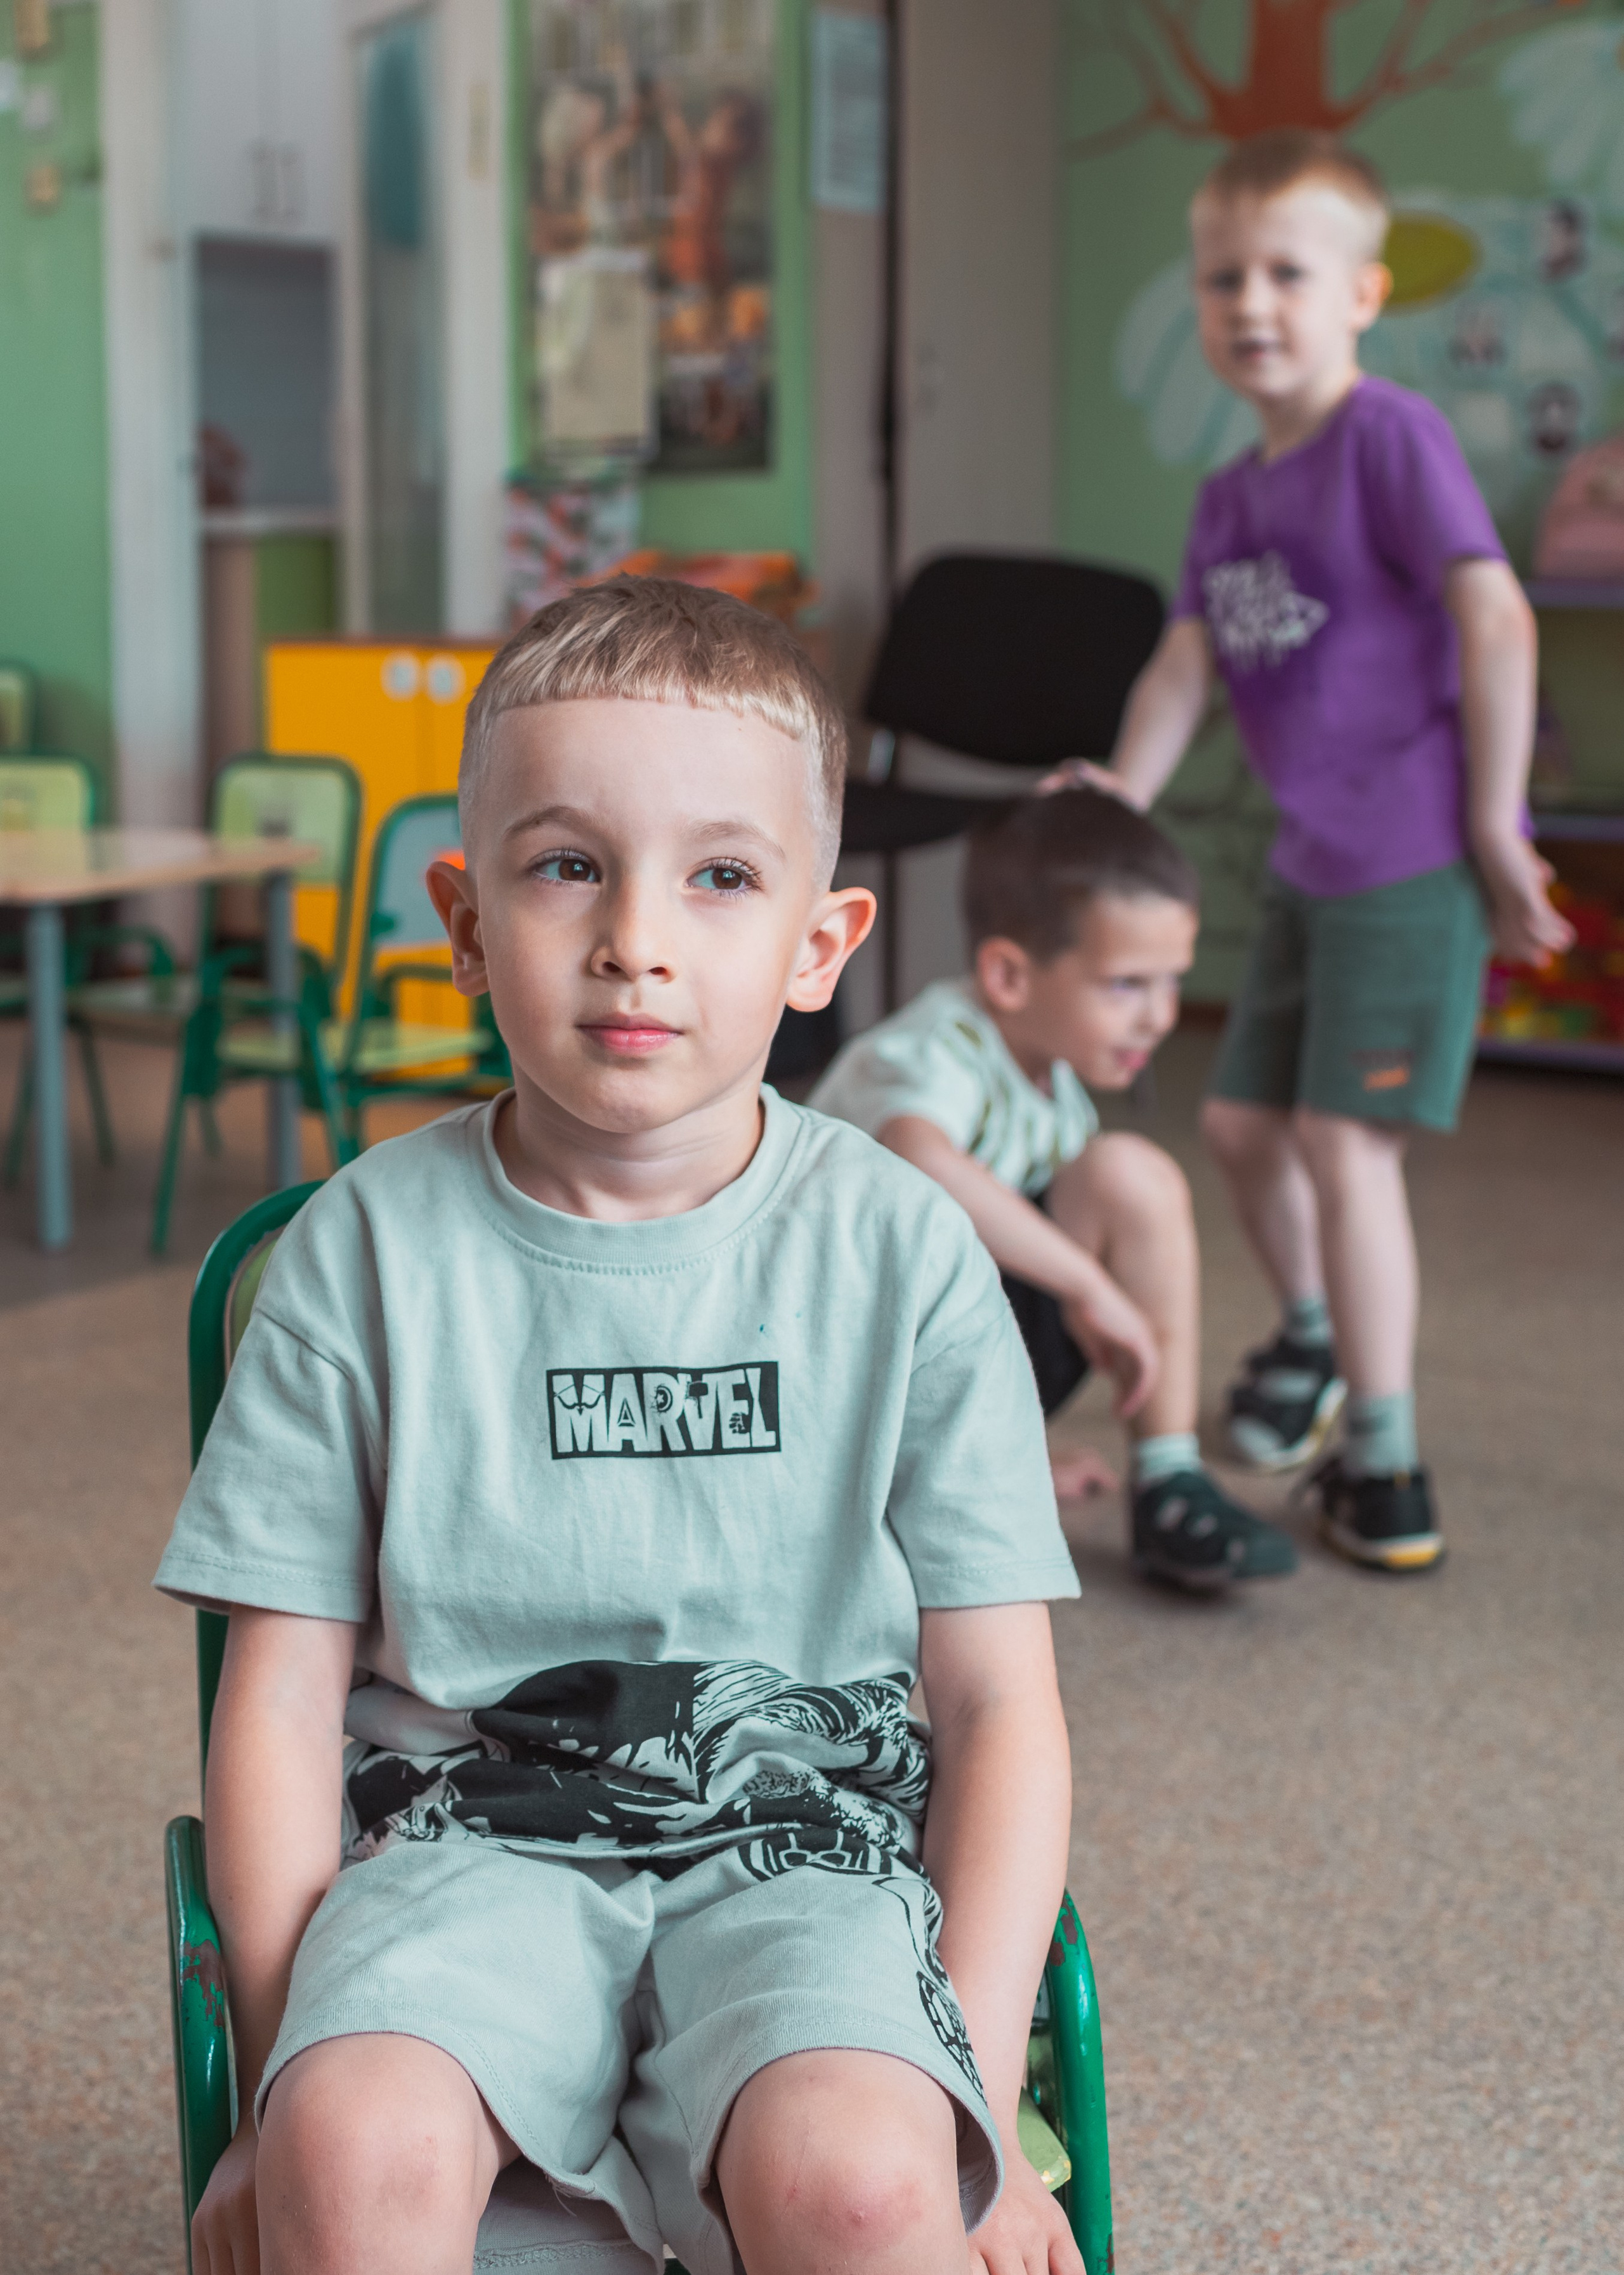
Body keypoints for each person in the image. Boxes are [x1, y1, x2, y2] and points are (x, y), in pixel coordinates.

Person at [155, 577, 1087, 2275]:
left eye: (722, 876)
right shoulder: (359, 1253)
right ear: (460, 915)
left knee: (870, 2189)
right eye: (567, 863)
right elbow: (277, 1693)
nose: (635, 937)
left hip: (816, 1854)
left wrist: (976, 2083)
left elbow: (998, 1700)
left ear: (821, 945)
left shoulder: (902, 1249)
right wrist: (276, 2101)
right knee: (359, 2152)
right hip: (455, 1853)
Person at [1082, 129, 1573, 1572]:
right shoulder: (1228, 497)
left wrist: (1492, 823)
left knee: (1341, 1152)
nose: (1250, 303)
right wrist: (1118, 787)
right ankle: (1308, 1334)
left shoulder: (1388, 439)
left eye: (1286, 274)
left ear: (1359, 293)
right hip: (1304, 864)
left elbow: (1494, 615)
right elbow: (1182, 667)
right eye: (1221, 276)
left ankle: (1382, 1462)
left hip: (1409, 857)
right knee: (1238, 1127)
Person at [811, 787, 1298, 1596]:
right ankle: (911, 1479)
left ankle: (1167, 1481)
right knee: (1102, 1191)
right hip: (832, 1374)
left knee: (1127, 1177)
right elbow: (920, 1158)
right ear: (1008, 974)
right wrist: (1091, 1285)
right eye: (1126, 985)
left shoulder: (1054, 1084)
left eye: (1171, 982)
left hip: (927, 1353)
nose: (1160, 1017)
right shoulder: (939, 1046)